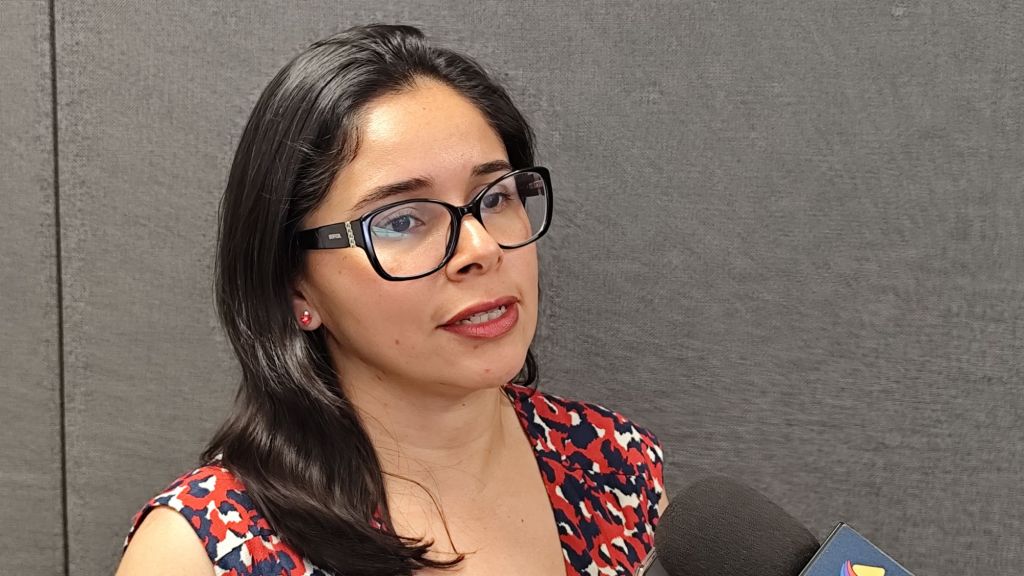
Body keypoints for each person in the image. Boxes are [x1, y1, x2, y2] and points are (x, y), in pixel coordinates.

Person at [116, 24, 665, 576]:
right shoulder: (200, 551)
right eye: (402, 221)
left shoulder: (613, 464)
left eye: (496, 197)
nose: (481, 247)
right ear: (295, 285)